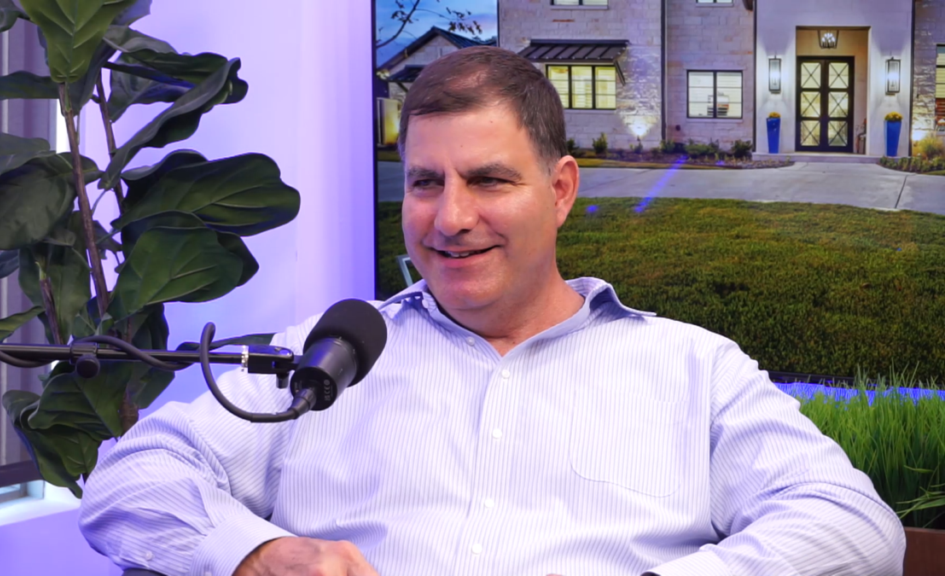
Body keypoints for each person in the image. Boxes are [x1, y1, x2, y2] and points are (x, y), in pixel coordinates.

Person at [79, 46, 906, 576]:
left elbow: (854, 526)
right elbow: (129, 478)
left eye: (490, 181)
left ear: (560, 191)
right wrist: (257, 553)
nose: (450, 218)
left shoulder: (693, 368)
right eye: (426, 183)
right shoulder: (325, 356)